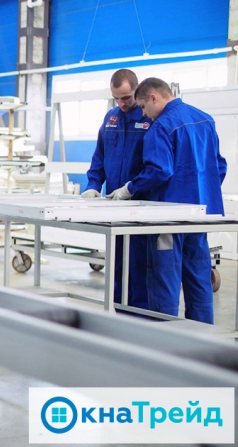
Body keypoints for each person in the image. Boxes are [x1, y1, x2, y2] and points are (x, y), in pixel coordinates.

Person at [108, 77, 227, 324]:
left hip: (168, 221)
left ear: (154, 97)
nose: (144, 113)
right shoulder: (205, 120)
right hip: (199, 218)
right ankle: (202, 336)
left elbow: (159, 171)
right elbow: (219, 167)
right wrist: (202, 191)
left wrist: (129, 188)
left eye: (143, 107)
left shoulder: (161, 126)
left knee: (165, 281)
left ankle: (165, 337)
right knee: (198, 279)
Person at [81, 69, 152, 309]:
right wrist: (93, 185)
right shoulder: (110, 118)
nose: (121, 103)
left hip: (141, 204)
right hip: (114, 204)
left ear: (137, 90)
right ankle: (117, 312)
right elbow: (99, 158)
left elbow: (154, 165)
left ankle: (138, 316)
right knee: (117, 262)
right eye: (116, 98)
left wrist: (132, 188)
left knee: (139, 265)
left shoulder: (149, 118)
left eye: (126, 97)